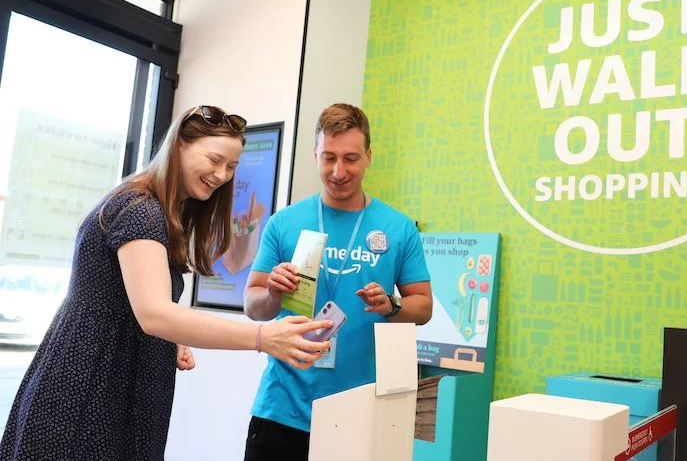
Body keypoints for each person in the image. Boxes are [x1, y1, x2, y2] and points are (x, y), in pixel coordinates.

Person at [0, 106, 332, 461]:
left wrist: (169, 338)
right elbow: (154, 314)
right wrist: (263, 338)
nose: (221, 175)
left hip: (120, 387)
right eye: (215, 159)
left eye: (232, 167)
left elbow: (137, 307)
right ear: (178, 147)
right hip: (92, 389)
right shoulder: (139, 209)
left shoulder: (159, 211)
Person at [243, 103, 433, 460]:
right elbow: (253, 306)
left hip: (359, 413)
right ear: (315, 154)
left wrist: (392, 306)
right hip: (282, 409)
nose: (339, 171)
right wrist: (272, 291)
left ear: (369, 157)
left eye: (350, 158)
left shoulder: (399, 228)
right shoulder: (284, 222)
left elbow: (423, 306)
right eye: (329, 158)